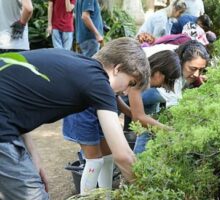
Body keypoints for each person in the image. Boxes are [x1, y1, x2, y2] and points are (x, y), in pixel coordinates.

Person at [0, 37, 150, 199]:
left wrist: (34, 158)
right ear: (117, 69)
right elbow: (123, 156)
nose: (127, 91)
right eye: (131, 82)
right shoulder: (100, 82)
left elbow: (13, 105)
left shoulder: (77, 63)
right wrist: (148, 192)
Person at [63, 50, 181, 194]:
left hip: (101, 110)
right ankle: (86, 197)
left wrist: (130, 112)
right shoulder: (137, 74)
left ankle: (106, 196)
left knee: (107, 159)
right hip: (84, 110)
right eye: (165, 80)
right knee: (94, 161)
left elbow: (113, 95)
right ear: (159, 72)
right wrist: (168, 130)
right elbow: (139, 116)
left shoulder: (133, 73)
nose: (162, 86)